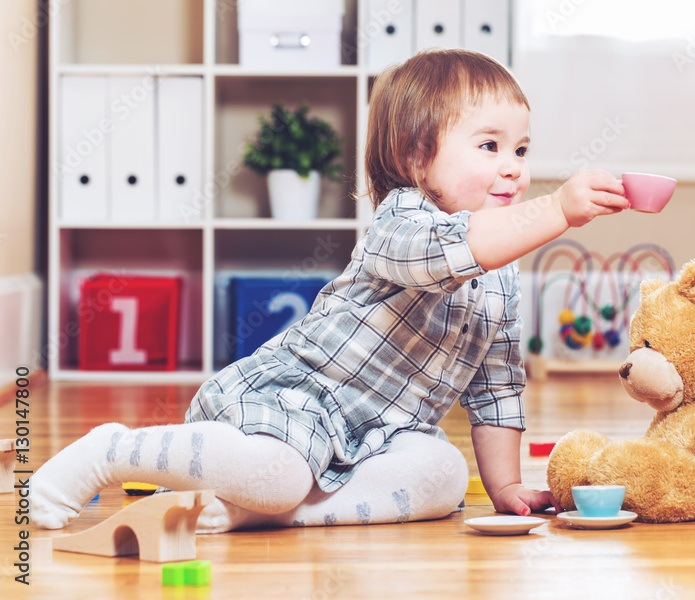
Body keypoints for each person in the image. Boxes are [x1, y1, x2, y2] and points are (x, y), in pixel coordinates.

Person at [31, 49, 629, 532]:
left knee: (445, 476)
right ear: (417, 158)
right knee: (281, 470)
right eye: (490, 146)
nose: (514, 167)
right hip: (294, 405)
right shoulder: (400, 222)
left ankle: (269, 512)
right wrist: (556, 208)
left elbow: (497, 384)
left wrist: (504, 487)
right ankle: (111, 452)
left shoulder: (502, 273)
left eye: (522, 149)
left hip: (380, 437)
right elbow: (456, 250)